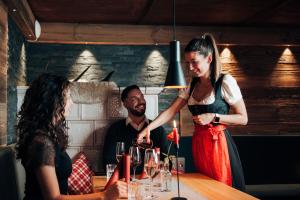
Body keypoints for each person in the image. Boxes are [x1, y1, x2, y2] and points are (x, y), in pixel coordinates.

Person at [138, 33, 248, 191]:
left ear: (209, 59)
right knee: (204, 188)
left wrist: (214, 117)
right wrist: (147, 129)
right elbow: (170, 111)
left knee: (221, 190)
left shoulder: (225, 82)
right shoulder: (192, 85)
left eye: (194, 62)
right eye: (187, 62)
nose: (190, 68)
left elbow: (243, 118)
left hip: (219, 145)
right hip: (199, 144)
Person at [16, 73, 127, 200]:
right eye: (68, 97)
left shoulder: (49, 135)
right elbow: (54, 198)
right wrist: (104, 195)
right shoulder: (41, 142)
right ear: (54, 101)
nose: (72, 103)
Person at [103, 85, 169, 174]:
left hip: (151, 182)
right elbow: (108, 162)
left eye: (141, 96)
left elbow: (166, 160)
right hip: (125, 182)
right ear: (125, 104)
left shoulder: (158, 130)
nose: (141, 101)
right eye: (134, 99)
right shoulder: (115, 129)